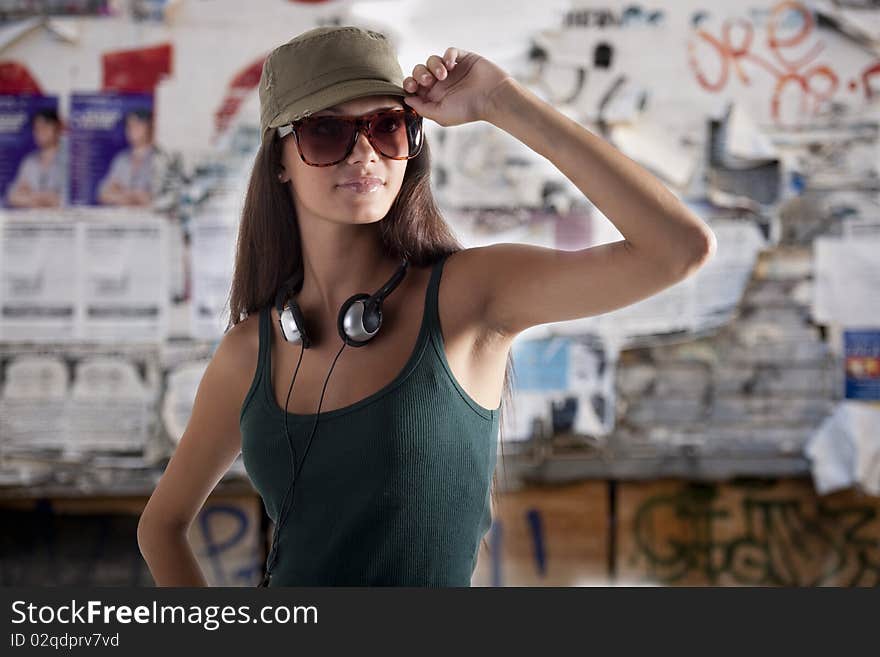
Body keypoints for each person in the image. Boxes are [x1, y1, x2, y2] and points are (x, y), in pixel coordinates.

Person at [137, 25, 715, 587]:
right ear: (280, 162)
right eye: (326, 132)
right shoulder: (250, 351)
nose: (363, 152)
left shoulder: (469, 296)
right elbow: (161, 528)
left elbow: (677, 250)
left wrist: (501, 101)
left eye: (388, 127)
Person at [6, 108, 64, 208]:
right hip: (33, 221)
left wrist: (29, 195)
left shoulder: (71, 161)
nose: (40, 132)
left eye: (45, 127)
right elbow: (12, 197)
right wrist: (41, 198)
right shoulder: (29, 162)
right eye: (37, 129)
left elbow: (69, 200)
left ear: (57, 129)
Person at [96, 108, 155, 206]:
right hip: (123, 219)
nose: (132, 129)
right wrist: (132, 196)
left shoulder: (158, 159)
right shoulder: (121, 159)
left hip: (148, 219)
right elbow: (102, 194)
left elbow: (156, 199)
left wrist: (120, 191)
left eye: (138, 125)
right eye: (129, 126)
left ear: (150, 127)